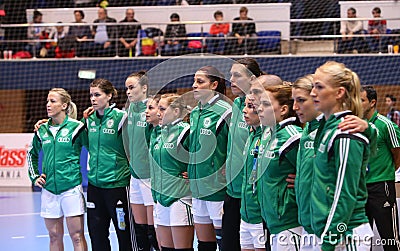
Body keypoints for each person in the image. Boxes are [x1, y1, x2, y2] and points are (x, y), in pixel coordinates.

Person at [310, 61, 373, 250]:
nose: (313, 92)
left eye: (319, 87)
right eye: (313, 86)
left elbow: (344, 192)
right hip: (327, 231)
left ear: (339, 93)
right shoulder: (325, 126)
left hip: (346, 234)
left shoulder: (346, 132)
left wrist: (329, 240)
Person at [27, 88, 88, 251]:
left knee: (77, 236)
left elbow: (94, 149)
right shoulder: (41, 130)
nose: (48, 105)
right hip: (49, 190)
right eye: (47, 101)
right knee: (54, 236)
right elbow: (31, 154)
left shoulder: (77, 128)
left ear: (64, 105)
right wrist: (34, 177)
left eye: (53, 101)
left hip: (71, 189)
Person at [85, 78, 136, 251]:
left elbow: (133, 147)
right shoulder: (89, 119)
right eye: (91, 95)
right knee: (97, 234)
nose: (93, 99)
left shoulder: (121, 118)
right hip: (94, 186)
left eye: (97, 95)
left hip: (117, 186)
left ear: (109, 96)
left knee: (125, 234)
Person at [256, 84, 303, 250]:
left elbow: (315, 170)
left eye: (266, 104)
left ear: (283, 109)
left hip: (290, 223)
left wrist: (303, 179)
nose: (259, 109)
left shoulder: (292, 137)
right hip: (272, 221)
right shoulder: (269, 133)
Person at [188, 66, 231, 251]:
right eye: (194, 81)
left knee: (224, 243)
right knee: (205, 245)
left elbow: (236, 146)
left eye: (200, 82)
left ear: (213, 85)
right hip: (197, 188)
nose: (194, 85)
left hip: (217, 189)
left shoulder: (226, 110)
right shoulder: (196, 112)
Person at [223, 58, 263, 251]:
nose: (231, 80)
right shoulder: (237, 104)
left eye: (237, 75)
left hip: (254, 195)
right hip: (233, 190)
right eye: (231, 75)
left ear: (253, 78)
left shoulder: (263, 109)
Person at [150, 93, 194, 250]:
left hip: (179, 198)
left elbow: (205, 156)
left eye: (162, 109)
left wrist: (195, 173)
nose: (158, 113)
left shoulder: (186, 131)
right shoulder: (158, 133)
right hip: (160, 198)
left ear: (176, 111)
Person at [361, 85, 400, 251]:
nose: (356, 103)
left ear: (372, 102)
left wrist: (385, 172)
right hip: (360, 189)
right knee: (362, 240)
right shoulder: (355, 126)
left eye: (361, 100)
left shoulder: (386, 125)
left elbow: (397, 153)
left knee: (389, 238)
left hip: (381, 186)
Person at [124, 71, 159, 251]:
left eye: (132, 88)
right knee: (139, 229)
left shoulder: (152, 110)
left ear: (144, 88)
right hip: (134, 176)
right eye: (126, 89)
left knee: (153, 230)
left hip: (150, 178)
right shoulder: (129, 110)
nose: (128, 92)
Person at [239, 95, 265, 251]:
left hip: (261, 216)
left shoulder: (270, 136)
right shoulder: (251, 135)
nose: (244, 110)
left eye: (250, 106)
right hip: (246, 214)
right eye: (245, 105)